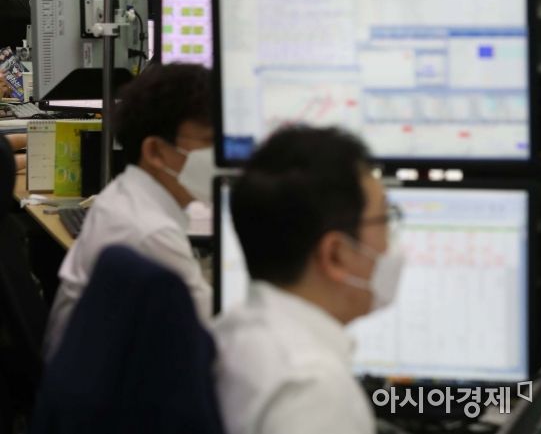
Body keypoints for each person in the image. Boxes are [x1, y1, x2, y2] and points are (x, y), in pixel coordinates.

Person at [213, 124, 404, 434]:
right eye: (385, 219)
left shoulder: (231, 333)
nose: (390, 245)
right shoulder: (315, 388)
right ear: (336, 254)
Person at [44, 62, 216, 358]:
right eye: (210, 142)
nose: (222, 154)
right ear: (155, 151)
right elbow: (216, 333)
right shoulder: (150, 234)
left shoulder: (123, 196)